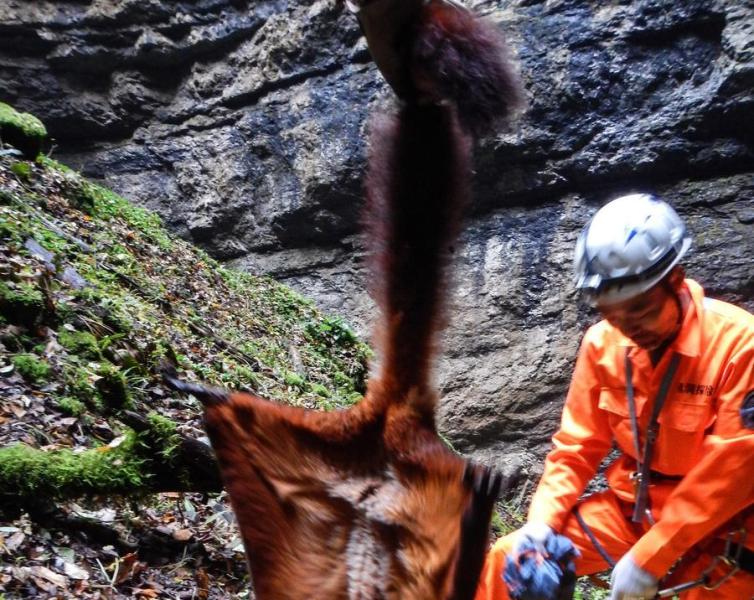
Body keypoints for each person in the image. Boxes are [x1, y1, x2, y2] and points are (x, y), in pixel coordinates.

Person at [474, 193, 754, 600]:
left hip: (724, 525)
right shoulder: (603, 345)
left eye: (640, 309)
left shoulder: (740, 344)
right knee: (508, 560)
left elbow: (734, 471)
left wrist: (649, 559)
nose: (627, 327)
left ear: (675, 279)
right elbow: (576, 447)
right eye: (612, 314)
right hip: (634, 511)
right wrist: (539, 529)